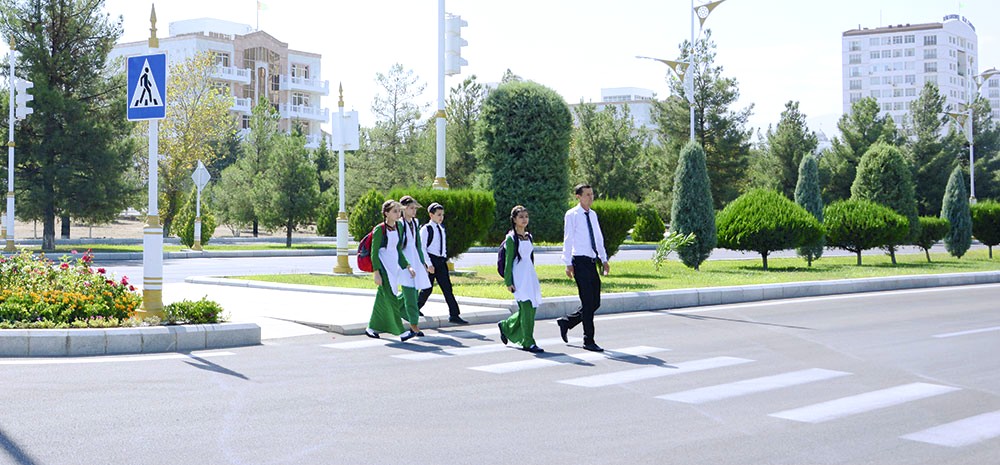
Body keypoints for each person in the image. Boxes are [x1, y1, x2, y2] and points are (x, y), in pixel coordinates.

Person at [557, 184, 609, 352]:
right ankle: (589, 340)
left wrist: (604, 259)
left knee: (595, 302)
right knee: (587, 302)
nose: (590, 197)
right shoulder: (572, 215)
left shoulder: (593, 215)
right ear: (578, 196)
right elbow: (568, 239)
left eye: (592, 194)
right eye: (587, 194)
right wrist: (567, 263)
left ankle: (567, 321)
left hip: (592, 262)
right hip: (579, 262)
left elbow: (598, 237)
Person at [366, 200, 418, 341]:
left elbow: (398, 251)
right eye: (395, 211)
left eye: (399, 211)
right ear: (386, 213)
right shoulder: (379, 229)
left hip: (393, 267)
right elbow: (374, 253)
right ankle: (401, 332)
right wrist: (376, 273)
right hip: (384, 269)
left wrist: (408, 266)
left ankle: (371, 327)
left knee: (382, 299)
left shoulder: (399, 227)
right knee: (392, 298)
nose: (398, 214)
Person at [497, 205, 544, 353]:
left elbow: (530, 258)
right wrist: (508, 282)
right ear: (514, 219)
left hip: (529, 275)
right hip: (519, 277)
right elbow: (509, 261)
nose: (524, 219)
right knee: (527, 309)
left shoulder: (528, 236)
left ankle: (506, 326)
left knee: (531, 308)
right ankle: (528, 342)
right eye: (521, 217)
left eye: (526, 216)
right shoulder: (511, 239)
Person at [417, 202, 467, 324]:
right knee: (427, 289)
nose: (441, 217)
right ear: (431, 215)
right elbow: (422, 248)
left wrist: (444, 258)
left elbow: (442, 246)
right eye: (438, 214)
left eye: (442, 215)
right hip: (431, 261)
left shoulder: (441, 228)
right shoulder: (426, 229)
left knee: (447, 288)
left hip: (440, 261)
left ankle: (454, 314)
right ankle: (414, 309)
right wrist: (428, 264)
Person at [397, 195, 429, 339]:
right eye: (411, 208)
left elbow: (418, 245)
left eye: (415, 208)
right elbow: (397, 246)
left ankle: (393, 311)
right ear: (403, 209)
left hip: (415, 259)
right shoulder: (400, 224)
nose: (414, 211)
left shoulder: (415, 223)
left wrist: (422, 262)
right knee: (410, 295)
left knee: (412, 292)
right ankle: (414, 325)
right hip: (404, 261)